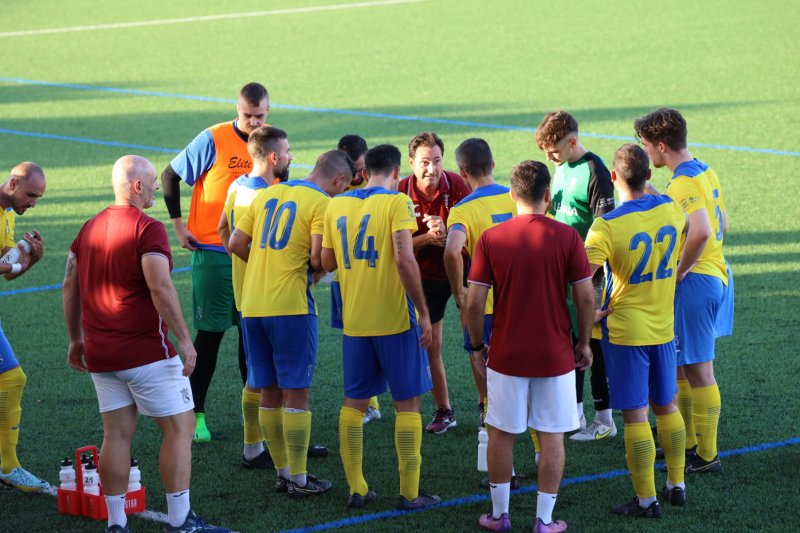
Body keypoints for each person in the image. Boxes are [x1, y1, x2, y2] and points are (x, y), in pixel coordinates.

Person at [63, 155, 229, 533]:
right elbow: (160, 286)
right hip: (146, 353)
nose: (157, 187)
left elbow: (69, 285)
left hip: (101, 355)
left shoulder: (87, 229)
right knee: (181, 428)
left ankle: (117, 522)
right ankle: (180, 519)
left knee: (117, 434)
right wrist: (185, 340)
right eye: (153, 182)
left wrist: (76, 340)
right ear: (136, 186)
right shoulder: (148, 229)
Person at [468, 160, 594, 533]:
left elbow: (474, 303)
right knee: (552, 436)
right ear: (548, 196)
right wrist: (584, 342)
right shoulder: (568, 237)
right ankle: (544, 520)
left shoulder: (492, 238)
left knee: (501, 433)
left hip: (506, 354)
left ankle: (499, 515)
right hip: (555, 356)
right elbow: (585, 298)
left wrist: (477, 345)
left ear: (512, 194)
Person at [228, 143, 354, 499]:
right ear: (339, 179)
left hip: (252, 305)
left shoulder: (268, 194)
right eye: (342, 188)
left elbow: (236, 243)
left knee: (268, 389)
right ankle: (298, 478)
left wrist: (267, 266)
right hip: (291, 307)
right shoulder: (322, 203)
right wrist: (318, 268)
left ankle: (283, 473)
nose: (341, 193)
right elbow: (318, 259)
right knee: (297, 391)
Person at [321, 144, 440, 510]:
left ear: (364, 170)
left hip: (356, 321)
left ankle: (357, 488)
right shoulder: (398, 203)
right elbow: (405, 259)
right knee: (408, 405)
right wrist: (422, 311)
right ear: (398, 169)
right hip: (393, 318)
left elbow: (325, 261)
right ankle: (409, 493)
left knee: (353, 404)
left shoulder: (337, 204)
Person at [162, 82, 270, 442]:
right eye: (248, 116)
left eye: (260, 116)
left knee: (250, 336)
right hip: (212, 252)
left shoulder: (271, 143)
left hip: (254, 255)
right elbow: (170, 175)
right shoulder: (214, 138)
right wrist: (179, 227)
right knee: (209, 337)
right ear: (237, 110)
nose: (254, 123)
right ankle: (196, 415)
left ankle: (251, 417)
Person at [584, 144, 688, 518]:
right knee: (667, 406)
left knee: (635, 415)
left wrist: (591, 313)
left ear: (613, 179)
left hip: (626, 332)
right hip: (663, 328)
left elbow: (583, 277)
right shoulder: (671, 209)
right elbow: (688, 225)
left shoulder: (607, 226)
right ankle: (677, 484)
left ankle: (646, 500)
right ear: (648, 176)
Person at [634, 108, 730, 473]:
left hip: (697, 281)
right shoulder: (702, 169)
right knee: (684, 366)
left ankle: (707, 455)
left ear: (661, 145)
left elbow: (703, 230)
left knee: (701, 369)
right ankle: (689, 442)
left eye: (646, 145)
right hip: (715, 274)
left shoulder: (682, 183)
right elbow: (723, 222)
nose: (646, 153)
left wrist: (681, 269)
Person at [535, 111, 617, 441]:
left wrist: (586, 277)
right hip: (561, 272)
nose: (549, 157)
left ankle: (605, 419)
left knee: (592, 342)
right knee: (569, 342)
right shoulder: (560, 168)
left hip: (588, 276)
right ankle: (576, 414)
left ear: (571, 142)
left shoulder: (594, 171)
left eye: (553, 151)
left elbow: (606, 229)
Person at [398, 132, 470, 434]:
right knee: (432, 345)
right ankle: (444, 410)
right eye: (425, 162)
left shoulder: (457, 186)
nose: (432, 169)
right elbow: (397, 250)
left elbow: (473, 241)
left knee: (478, 343)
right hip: (425, 278)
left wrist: (449, 236)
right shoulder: (400, 192)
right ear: (412, 163)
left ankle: (486, 407)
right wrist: (428, 238)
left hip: (463, 272)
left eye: (437, 161)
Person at [443, 138, 516, 427]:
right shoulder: (516, 197)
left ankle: (489, 417)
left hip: (487, 306)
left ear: (462, 171)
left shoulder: (462, 210)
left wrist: (459, 290)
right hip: (523, 302)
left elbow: (451, 251)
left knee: (485, 366)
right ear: (493, 164)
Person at [216, 126, 274, 470]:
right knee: (266, 374)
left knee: (260, 369)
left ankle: (261, 442)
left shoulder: (237, 186)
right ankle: (256, 446)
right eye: (288, 150)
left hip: (245, 292)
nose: (292, 155)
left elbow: (224, 229)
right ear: (273, 156)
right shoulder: (264, 197)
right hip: (266, 295)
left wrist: (239, 261)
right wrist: (264, 264)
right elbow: (238, 239)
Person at [0, 162, 48, 493]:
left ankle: (8, 466)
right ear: (13, 183)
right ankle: (8, 466)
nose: (32, 203)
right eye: (31, 195)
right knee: (12, 378)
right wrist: (15, 261)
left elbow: (7, 268)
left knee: (13, 378)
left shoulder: (7, 213)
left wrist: (31, 258)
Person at [333, 135, 381, 424]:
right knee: (354, 338)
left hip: (375, 278)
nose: (355, 174)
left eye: (359, 168)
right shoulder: (332, 185)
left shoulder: (376, 187)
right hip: (344, 278)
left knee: (379, 337)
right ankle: (369, 403)